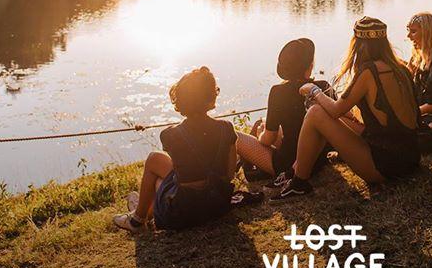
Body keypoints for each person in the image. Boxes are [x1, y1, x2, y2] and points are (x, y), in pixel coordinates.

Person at [273, 16, 420, 200]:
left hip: (386, 166)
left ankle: (299, 182)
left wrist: (314, 90)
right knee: (325, 112)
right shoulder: (401, 68)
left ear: (359, 45)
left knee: (315, 112)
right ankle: (296, 171)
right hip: (411, 157)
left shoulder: (369, 71)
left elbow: (336, 110)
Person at [113, 66, 237, 232]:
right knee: (161, 165)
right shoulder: (226, 128)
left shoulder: (170, 135)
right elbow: (229, 174)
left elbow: (184, 169)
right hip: (218, 206)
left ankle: (137, 219)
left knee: (155, 167)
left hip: (183, 213)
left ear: (181, 100)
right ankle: (141, 212)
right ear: (211, 97)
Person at [235, 38, 335, 185]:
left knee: (236, 136)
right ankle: (253, 169)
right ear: (309, 66)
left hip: (289, 163)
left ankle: (251, 171)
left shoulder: (278, 92)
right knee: (263, 123)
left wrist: (260, 135)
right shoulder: (323, 86)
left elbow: (268, 139)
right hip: (319, 160)